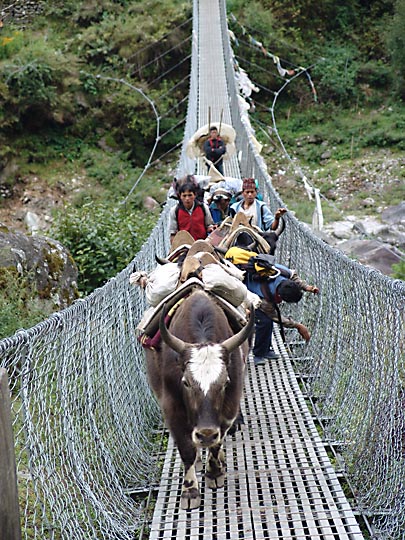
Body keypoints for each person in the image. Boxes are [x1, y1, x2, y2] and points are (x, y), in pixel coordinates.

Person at [244, 263, 319, 366]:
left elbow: (293, 275)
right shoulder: (266, 296)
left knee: (268, 321)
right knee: (264, 321)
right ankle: (258, 354)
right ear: (279, 296)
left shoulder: (283, 274)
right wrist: (298, 326)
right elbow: (275, 317)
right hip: (249, 291)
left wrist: (306, 287)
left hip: (261, 288)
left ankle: (266, 350)